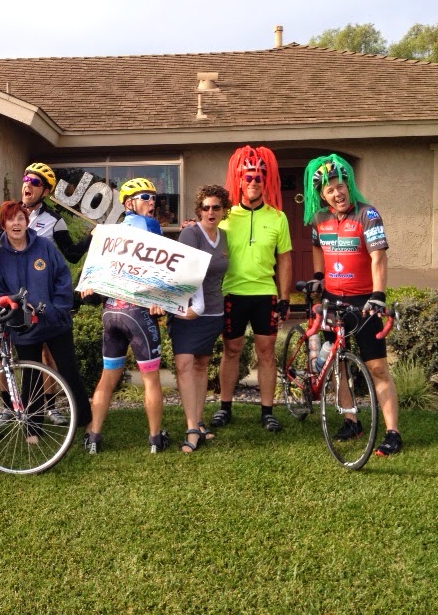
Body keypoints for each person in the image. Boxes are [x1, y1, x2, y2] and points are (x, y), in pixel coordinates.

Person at [302, 154, 402, 456]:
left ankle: (393, 432)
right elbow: (316, 246)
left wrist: (378, 294)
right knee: (337, 363)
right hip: (332, 301)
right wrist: (318, 277)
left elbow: (378, 257)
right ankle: (351, 421)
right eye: (330, 189)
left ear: (348, 185)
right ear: (323, 195)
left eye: (340, 186)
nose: (337, 193)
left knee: (377, 366)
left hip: (364, 300)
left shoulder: (367, 214)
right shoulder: (319, 218)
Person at [0, 162, 93, 426]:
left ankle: (70, 415)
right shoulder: (10, 214)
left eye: (35, 182)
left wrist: (92, 237)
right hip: (20, 307)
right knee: (28, 365)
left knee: (60, 362)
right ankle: (24, 416)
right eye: (26, 179)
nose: (28, 184)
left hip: (46, 302)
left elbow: (71, 255)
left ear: (45, 192)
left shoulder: (54, 220)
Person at [81, 178, 169, 454]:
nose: (152, 202)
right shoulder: (149, 225)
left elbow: (95, 271)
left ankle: (93, 437)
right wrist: (159, 300)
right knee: (151, 379)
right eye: (145, 197)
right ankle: (155, 439)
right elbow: (161, 268)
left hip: (111, 312)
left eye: (154, 197)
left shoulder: (109, 231)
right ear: (129, 203)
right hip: (137, 312)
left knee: (108, 377)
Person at [210, 145, 293, 432]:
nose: (254, 182)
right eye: (248, 177)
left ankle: (267, 411)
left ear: (266, 181)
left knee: (266, 353)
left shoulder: (278, 217)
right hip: (232, 293)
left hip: (264, 294)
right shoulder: (225, 216)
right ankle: (225, 407)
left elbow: (284, 259)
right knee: (231, 350)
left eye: (259, 177)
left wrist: (284, 297)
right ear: (240, 180)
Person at [170, 185, 230, 453]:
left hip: (214, 312)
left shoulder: (224, 237)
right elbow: (186, 271)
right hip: (188, 311)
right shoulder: (190, 233)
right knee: (184, 364)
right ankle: (192, 428)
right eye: (205, 207)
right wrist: (197, 304)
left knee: (201, 365)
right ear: (199, 210)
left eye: (216, 207)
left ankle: (199, 421)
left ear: (224, 210)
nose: (210, 212)